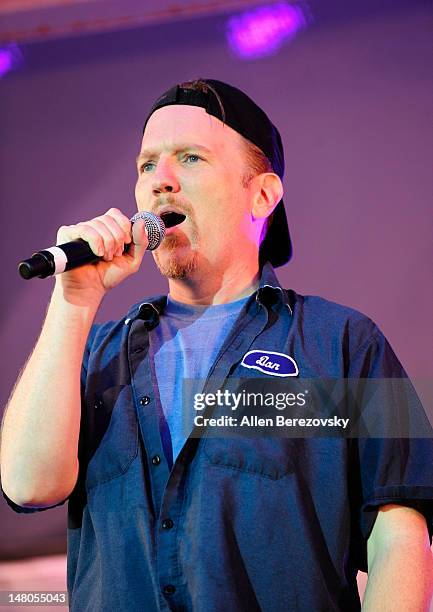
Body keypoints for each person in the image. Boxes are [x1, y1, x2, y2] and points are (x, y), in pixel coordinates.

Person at [1, 79, 432, 611]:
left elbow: (399, 535)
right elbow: (28, 485)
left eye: (190, 158)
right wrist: (75, 300)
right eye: (146, 165)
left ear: (263, 195)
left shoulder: (340, 341)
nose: (160, 182)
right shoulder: (96, 357)